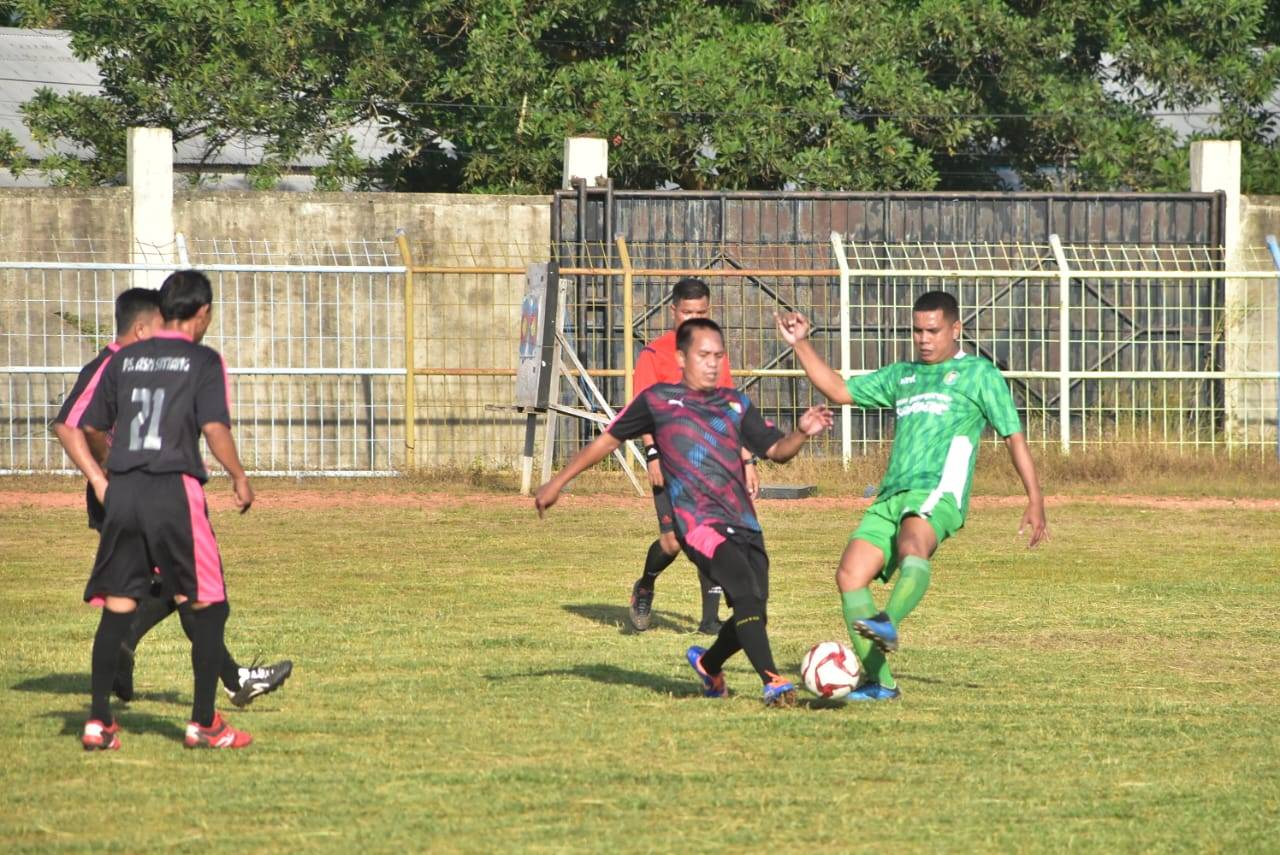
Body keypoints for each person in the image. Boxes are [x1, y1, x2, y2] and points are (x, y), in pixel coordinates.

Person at [537, 318, 833, 707]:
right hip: (698, 525)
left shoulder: (735, 404)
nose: (712, 363)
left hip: (745, 522)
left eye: (718, 356)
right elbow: (608, 441)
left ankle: (709, 665)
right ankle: (774, 681)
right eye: (703, 355)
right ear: (681, 357)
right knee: (744, 593)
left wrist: (801, 433)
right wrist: (558, 481)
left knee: (753, 612)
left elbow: (777, 451)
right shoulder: (658, 401)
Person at [776, 291, 1048, 701]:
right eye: (917, 331)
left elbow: (1014, 437)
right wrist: (800, 344)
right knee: (850, 575)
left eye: (933, 331)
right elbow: (839, 389)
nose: (924, 339)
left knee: (911, 544)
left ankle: (888, 621)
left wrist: (1035, 498)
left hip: (938, 490)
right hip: (891, 494)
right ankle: (881, 683)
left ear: (956, 329)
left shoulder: (979, 374)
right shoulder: (903, 375)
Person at [52, 288, 291, 711]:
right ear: (142, 329)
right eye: (162, 326)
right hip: (133, 494)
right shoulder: (112, 363)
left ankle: (127, 655)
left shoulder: (144, 364)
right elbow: (69, 425)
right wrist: (101, 478)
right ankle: (227, 685)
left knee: (169, 584)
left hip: (145, 490)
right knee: (188, 584)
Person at [628, 277, 758, 635]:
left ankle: (709, 621)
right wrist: (652, 453)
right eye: (687, 312)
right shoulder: (654, 355)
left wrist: (746, 460)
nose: (694, 319)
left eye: (701, 312)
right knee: (672, 542)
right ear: (674, 311)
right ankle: (645, 585)